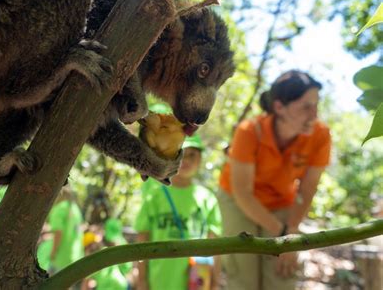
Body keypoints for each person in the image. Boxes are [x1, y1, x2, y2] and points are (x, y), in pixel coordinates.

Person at [218, 70, 331, 290]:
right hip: (238, 200)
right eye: (306, 106)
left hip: (281, 201)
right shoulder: (249, 131)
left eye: (316, 105)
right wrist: (282, 234)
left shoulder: (321, 135)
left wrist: (291, 232)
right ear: (279, 107)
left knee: (282, 270)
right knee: (244, 274)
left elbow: (306, 191)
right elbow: (242, 192)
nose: (314, 114)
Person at [135, 134, 223, 290]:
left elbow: (215, 245)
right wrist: (141, 280)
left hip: (197, 282)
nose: (186, 161)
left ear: (200, 160)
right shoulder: (154, 197)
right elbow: (142, 240)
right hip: (159, 281)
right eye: (180, 154)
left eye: (192, 155)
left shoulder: (208, 199)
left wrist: (215, 282)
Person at [37, 187, 84, 274]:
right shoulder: (75, 209)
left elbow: (58, 232)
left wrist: (53, 252)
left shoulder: (60, 208)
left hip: (61, 257)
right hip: (74, 256)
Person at [82, 218, 133, 290]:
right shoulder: (93, 259)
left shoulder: (105, 251)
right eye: (89, 246)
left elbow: (127, 267)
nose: (92, 247)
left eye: (93, 244)